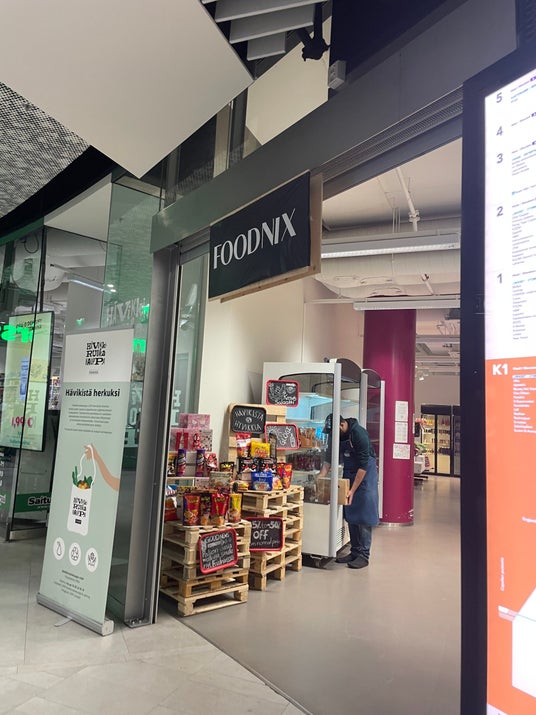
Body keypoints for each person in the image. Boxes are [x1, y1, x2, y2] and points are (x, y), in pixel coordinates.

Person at [317, 413, 379, 569]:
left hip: (365, 477)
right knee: (350, 515)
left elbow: (363, 466)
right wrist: (319, 479)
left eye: (334, 432)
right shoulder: (335, 434)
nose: (332, 435)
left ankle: (364, 555)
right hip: (349, 473)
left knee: (363, 516)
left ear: (342, 425)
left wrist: (352, 490)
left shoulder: (359, 434)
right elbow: (329, 460)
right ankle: (355, 551)